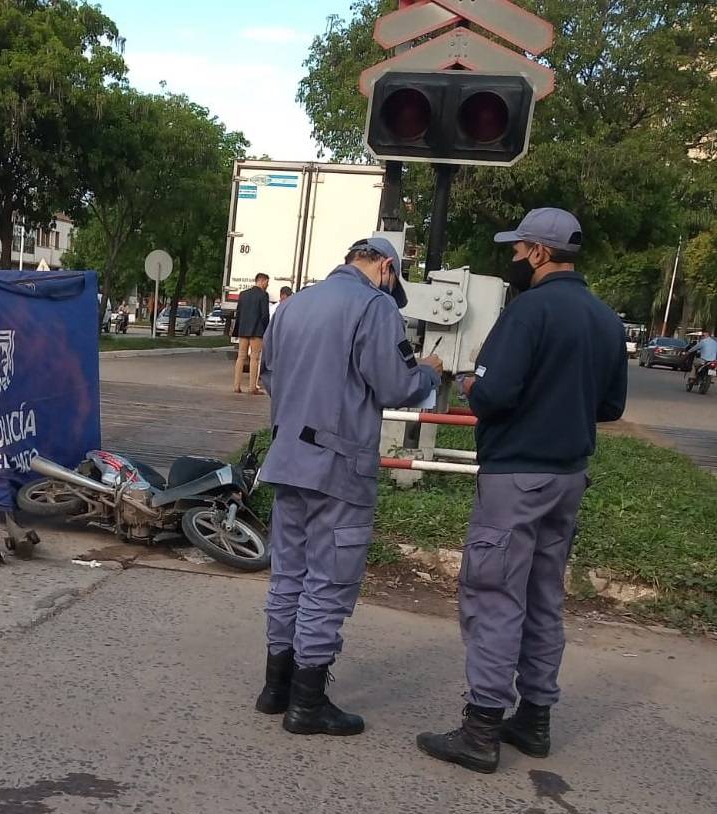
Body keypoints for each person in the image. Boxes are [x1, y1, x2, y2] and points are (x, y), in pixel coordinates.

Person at [418, 208, 627, 774]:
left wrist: (467, 383)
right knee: (542, 596)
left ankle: (481, 729)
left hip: (516, 476)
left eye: (517, 250)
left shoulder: (529, 312)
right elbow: (610, 406)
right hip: (568, 477)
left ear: (538, 253)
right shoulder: (607, 320)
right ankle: (534, 720)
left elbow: (494, 394)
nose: (511, 259)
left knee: (493, 596)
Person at [254, 238, 443, 736]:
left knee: (288, 576)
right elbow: (398, 385)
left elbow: (269, 375)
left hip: (286, 460)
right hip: (339, 470)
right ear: (384, 267)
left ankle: (276, 688)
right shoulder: (374, 306)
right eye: (393, 278)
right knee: (328, 583)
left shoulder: (294, 305)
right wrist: (429, 372)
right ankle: (308, 705)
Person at [233, 273, 271, 394]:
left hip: (243, 330)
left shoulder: (243, 294)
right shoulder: (263, 295)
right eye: (267, 282)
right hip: (257, 331)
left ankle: (236, 386)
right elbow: (265, 315)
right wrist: (266, 329)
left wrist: (237, 329)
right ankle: (252, 387)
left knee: (240, 357)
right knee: (254, 358)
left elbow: (238, 313)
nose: (267, 285)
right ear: (262, 281)